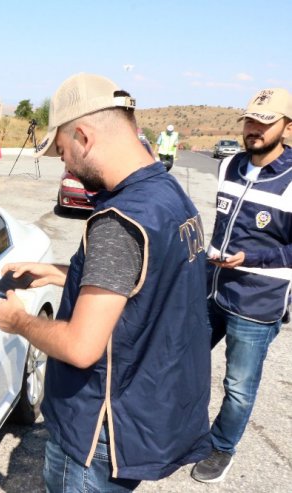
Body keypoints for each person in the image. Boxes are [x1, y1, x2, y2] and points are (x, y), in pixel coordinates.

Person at [0, 73, 211, 491]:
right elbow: (144, 287)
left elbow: (80, 346)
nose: (66, 165)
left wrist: (18, 321)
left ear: (83, 136)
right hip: (147, 414)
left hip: (98, 435)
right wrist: (62, 273)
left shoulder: (118, 222)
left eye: (63, 152)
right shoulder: (169, 193)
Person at [191, 87, 292, 483]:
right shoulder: (228, 165)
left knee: (238, 385)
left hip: (257, 301)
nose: (254, 129)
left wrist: (254, 258)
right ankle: (184, 429)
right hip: (212, 288)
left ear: (286, 126)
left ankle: (221, 447)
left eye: (265, 123)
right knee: (185, 361)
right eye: (250, 120)